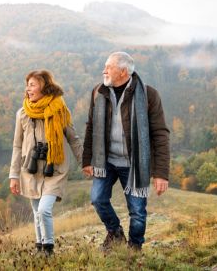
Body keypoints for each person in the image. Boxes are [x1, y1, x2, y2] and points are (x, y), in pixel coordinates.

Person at [82, 51, 170, 251]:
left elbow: (160, 134)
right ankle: (115, 233)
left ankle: (134, 248)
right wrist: (87, 160)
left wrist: (161, 173)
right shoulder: (98, 92)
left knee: (137, 212)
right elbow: (91, 127)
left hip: (135, 164)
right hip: (107, 161)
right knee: (98, 199)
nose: (104, 70)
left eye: (108, 67)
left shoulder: (148, 95)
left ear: (123, 72)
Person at [9, 70, 83, 256]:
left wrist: (84, 163)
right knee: (36, 211)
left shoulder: (60, 111)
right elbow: (17, 146)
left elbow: (73, 139)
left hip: (54, 169)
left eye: (32, 85)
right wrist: (13, 175)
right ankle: (40, 247)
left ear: (44, 87)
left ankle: (48, 249)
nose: (28, 89)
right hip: (30, 169)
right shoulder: (23, 113)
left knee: (43, 210)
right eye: (27, 85)